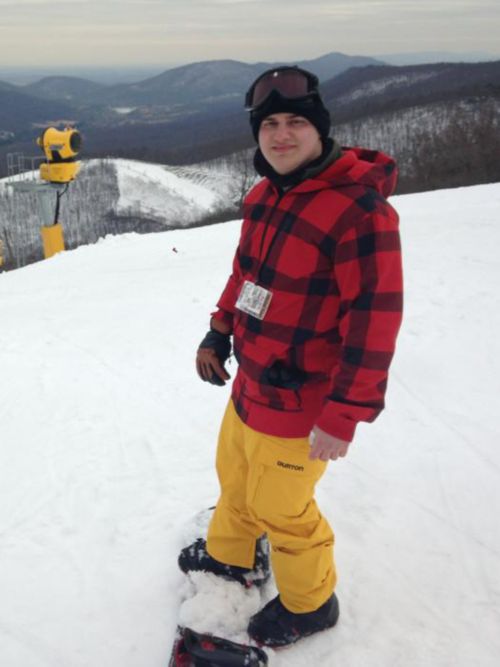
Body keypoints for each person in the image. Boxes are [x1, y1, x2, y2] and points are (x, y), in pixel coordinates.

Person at [179, 65, 403, 647]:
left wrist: (343, 414)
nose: (281, 134)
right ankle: (231, 554)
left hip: (303, 402)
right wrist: (218, 332)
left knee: (283, 509)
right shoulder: (266, 195)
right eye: (270, 123)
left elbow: (374, 322)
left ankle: (310, 603)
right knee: (235, 478)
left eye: (295, 122)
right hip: (251, 384)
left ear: (319, 129)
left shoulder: (360, 212)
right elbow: (246, 274)